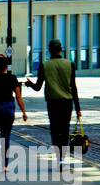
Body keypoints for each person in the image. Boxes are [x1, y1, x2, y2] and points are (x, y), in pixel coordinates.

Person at [24, 39, 80, 167]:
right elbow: (74, 87)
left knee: (55, 130)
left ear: (49, 51)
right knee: (65, 129)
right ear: (61, 49)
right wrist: (78, 109)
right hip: (67, 103)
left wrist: (29, 84)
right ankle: (63, 158)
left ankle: (58, 157)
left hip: (53, 103)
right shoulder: (70, 64)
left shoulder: (44, 65)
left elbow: (38, 87)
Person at [0, 54, 28, 173]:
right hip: (8, 110)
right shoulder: (12, 78)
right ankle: (5, 166)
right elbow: (18, 97)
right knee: (6, 137)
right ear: (6, 66)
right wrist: (24, 112)